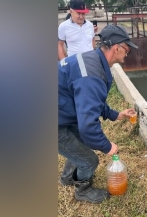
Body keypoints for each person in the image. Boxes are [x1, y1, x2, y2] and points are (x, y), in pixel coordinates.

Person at [58, 24, 138, 204]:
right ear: (116, 48)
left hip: (61, 109)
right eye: (127, 49)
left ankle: (67, 178)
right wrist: (107, 146)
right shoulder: (92, 74)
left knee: (78, 144)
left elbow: (92, 101)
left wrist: (116, 115)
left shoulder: (93, 60)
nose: (128, 53)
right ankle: (82, 191)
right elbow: (88, 126)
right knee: (90, 160)